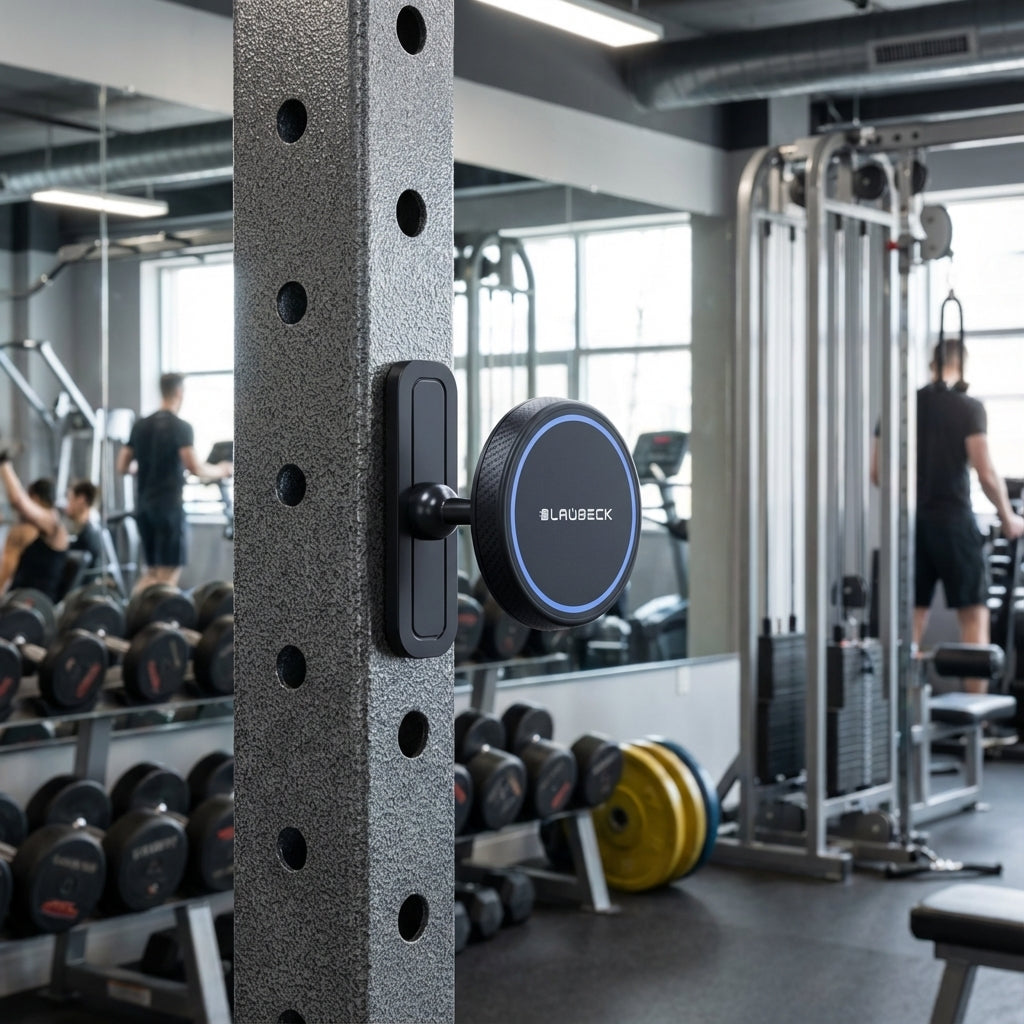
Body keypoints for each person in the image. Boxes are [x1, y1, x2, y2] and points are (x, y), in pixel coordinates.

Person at [871, 338, 1024, 694]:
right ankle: (979, 724)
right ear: (962, 364)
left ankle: (900, 718)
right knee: (973, 615)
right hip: (954, 522)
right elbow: (985, 472)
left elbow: (878, 472)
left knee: (912, 617)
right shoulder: (968, 407)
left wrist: (913, 499)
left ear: (931, 363)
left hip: (911, 526)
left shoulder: (903, 404)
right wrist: (1008, 517)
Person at [116, 373, 232, 593]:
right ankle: (140, 620)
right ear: (179, 392)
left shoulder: (141, 425)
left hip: (144, 507)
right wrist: (222, 469)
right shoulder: (181, 427)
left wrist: (146, 466)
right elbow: (195, 467)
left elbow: (122, 465)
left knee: (152, 573)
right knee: (167, 577)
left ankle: (135, 619)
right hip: (168, 508)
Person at [0, 445, 69, 602]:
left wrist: (3, 463)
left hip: (35, 609)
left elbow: (18, 502)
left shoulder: (54, 525)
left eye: (29, 498)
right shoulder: (33, 531)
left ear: (35, 499)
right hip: (17, 602)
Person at [64, 479, 104, 578]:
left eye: (70, 499)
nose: (66, 506)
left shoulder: (87, 535)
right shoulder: (92, 529)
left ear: (81, 500)